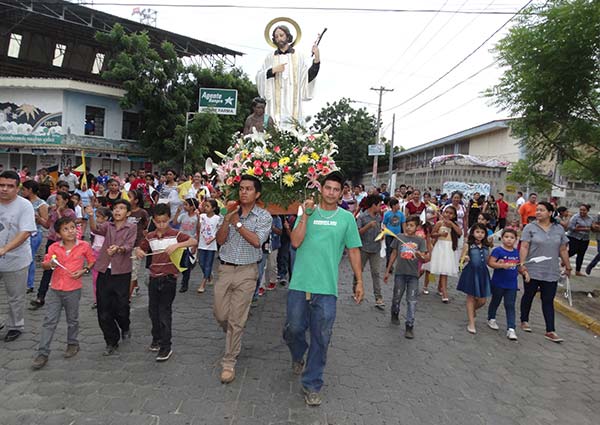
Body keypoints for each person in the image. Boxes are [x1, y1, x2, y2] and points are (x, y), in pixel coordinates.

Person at [283, 171, 364, 406]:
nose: (331, 193)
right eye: (327, 188)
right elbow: (296, 242)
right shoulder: (307, 211)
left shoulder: (346, 219)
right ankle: (298, 354)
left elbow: (354, 250)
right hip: (300, 284)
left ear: (341, 193)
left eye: (336, 189)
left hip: (327, 288)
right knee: (294, 329)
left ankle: (312, 383)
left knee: (322, 336)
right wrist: (306, 216)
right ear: (321, 189)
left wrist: (359, 280)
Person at [213, 175, 272, 384]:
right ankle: (232, 333)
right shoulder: (230, 211)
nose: (243, 192)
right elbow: (220, 241)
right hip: (225, 268)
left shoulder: (264, 217)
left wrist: (237, 224)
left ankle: (229, 361)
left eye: (248, 189)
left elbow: (257, 241)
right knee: (220, 314)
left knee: (237, 319)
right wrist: (227, 220)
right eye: (241, 188)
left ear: (257, 194)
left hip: (248, 272)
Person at [135, 204, 197, 362]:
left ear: (169, 219)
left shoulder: (175, 235)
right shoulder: (150, 236)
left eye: (164, 221)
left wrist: (177, 245)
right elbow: (140, 248)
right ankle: (156, 339)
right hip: (154, 278)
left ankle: (166, 346)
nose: (161, 225)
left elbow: (193, 241)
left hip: (169, 278)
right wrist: (139, 252)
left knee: (164, 312)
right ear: (153, 221)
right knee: (153, 312)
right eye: (158, 222)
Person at [31, 217, 95, 369]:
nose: (70, 231)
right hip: (55, 289)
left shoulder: (84, 246)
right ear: (59, 233)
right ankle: (43, 353)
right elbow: (45, 264)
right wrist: (50, 264)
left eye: (72, 227)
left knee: (72, 319)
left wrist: (84, 270)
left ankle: (73, 343)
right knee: (49, 321)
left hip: (73, 289)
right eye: (66, 229)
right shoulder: (54, 247)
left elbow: (92, 261)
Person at [85, 200, 137, 355]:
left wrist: (119, 249)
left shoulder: (131, 227)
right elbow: (95, 228)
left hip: (121, 271)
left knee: (121, 307)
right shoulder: (108, 226)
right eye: (115, 208)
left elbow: (130, 245)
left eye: (121, 208)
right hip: (104, 270)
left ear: (128, 213)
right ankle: (111, 341)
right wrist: (90, 216)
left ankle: (125, 326)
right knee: (103, 309)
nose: (117, 211)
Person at [519, 201, 570, 343]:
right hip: (532, 268)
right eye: (537, 210)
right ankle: (524, 320)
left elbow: (563, 249)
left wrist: (568, 266)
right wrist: (522, 264)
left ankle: (550, 330)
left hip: (551, 270)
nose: (538, 212)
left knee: (548, 300)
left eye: (541, 210)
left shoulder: (558, 229)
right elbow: (524, 246)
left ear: (549, 212)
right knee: (528, 295)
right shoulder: (530, 227)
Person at [256, 24, 321, 128]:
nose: (279, 39)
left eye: (281, 35)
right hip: (274, 106)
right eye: (276, 37)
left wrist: (316, 58)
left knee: (293, 129)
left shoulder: (299, 56)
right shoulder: (270, 57)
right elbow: (259, 76)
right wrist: (272, 70)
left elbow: (307, 77)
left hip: (293, 106)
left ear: (288, 36)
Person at [0, 171, 37, 342]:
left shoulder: (24, 206)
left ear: (17, 188)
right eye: (1, 185)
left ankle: (15, 326)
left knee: (15, 296)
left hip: (16, 259)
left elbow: (25, 232)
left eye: (10, 186)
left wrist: (4, 249)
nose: (4, 189)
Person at [383, 215, 429, 339]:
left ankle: (409, 325)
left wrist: (420, 255)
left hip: (413, 275)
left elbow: (423, 258)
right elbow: (393, 254)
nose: (409, 228)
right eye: (407, 225)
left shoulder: (420, 241)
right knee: (397, 297)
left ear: (417, 227)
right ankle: (395, 312)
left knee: (412, 301)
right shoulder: (400, 238)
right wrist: (388, 270)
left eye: (412, 225)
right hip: (400, 273)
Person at [30, 192, 77, 310]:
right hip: (52, 242)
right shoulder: (53, 211)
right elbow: (48, 225)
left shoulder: (70, 213)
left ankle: (66, 296)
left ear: (66, 201)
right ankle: (40, 296)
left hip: (65, 243)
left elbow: (64, 226)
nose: (56, 202)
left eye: (58, 199)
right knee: (48, 269)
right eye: (56, 199)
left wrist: (58, 213)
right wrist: (39, 219)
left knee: (65, 269)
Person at [487, 228, 524, 341]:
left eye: (512, 238)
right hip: (498, 282)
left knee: (510, 305)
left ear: (516, 240)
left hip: (512, 284)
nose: (509, 240)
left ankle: (511, 328)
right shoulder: (498, 251)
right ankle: (491, 318)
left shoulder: (517, 253)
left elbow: (519, 266)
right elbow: (491, 263)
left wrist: (524, 273)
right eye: (506, 237)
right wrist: (501, 265)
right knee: (495, 301)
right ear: (502, 238)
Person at [457, 223, 492, 334]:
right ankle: (471, 323)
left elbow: (488, 261)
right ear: (473, 233)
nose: (480, 234)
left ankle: (471, 311)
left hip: (483, 273)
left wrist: (499, 262)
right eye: (477, 232)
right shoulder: (468, 245)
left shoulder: (487, 246)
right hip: (471, 272)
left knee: (482, 300)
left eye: (482, 232)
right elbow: (461, 258)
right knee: (471, 297)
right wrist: (465, 258)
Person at [354, 194, 384, 308]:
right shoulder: (362, 217)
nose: (380, 208)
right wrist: (368, 226)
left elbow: (379, 229)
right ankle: (355, 289)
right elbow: (357, 233)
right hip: (364, 248)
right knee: (359, 270)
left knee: (376, 273)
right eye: (379, 205)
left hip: (376, 248)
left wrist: (382, 235)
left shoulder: (379, 217)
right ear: (373, 205)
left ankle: (378, 297)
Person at [429, 205, 461, 303]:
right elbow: (432, 234)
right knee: (442, 269)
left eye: (451, 213)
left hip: (449, 248)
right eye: (446, 212)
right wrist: (440, 234)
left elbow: (459, 233)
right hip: (440, 247)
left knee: (445, 270)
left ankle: (441, 288)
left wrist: (452, 224)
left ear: (454, 215)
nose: (448, 214)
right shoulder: (439, 223)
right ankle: (444, 292)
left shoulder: (454, 224)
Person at [21, 181, 48, 294]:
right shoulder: (22, 202)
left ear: (30, 190)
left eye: (24, 189)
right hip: (22, 232)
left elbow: (46, 223)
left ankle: (29, 284)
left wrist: (37, 218)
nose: (23, 192)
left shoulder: (41, 204)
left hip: (35, 233)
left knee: (30, 258)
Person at [173, 198, 199, 293]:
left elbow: (198, 231)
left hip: (190, 242)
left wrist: (195, 245)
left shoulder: (196, 218)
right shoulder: (183, 216)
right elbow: (175, 222)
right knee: (179, 263)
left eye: (186, 205)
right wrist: (177, 212)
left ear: (192, 207)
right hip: (180, 242)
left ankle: (185, 284)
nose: (184, 206)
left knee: (186, 264)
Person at [127, 190, 149, 299]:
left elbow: (146, 226)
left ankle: (128, 297)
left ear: (136, 200)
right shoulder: (125, 211)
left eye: (129, 197)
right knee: (128, 269)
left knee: (133, 271)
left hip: (137, 245)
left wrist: (144, 238)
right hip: (126, 245)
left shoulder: (142, 213)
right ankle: (135, 286)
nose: (127, 198)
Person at [197, 199, 222, 293]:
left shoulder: (217, 218)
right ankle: (209, 275)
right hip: (202, 243)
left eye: (208, 206)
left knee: (208, 264)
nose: (205, 208)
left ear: (213, 208)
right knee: (201, 262)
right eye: (205, 206)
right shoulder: (202, 216)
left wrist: (213, 238)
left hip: (211, 245)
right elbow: (199, 227)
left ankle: (203, 283)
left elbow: (218, 231)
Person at [566, 204, 593, 276]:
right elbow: (570, 227)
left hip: (585, 239)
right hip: (574, 237)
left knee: (581, 254)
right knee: (573, 251)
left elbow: (592, 227)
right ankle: (564, 259)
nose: (582, 211)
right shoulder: (575, 217)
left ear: (587, 211)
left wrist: (579, 228)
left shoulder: (590, 218)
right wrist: (584, 228)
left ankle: (578, 271)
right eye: (581, 210)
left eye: (584, 210)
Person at [382, 198, 405, 269]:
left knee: (397, 250)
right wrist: (384, 231)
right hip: (389, 235)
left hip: (398, 235)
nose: (399, 205)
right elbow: (384, 223)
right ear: (394, 205)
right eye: (398, 204)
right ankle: (389, 265)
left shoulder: (401, 214)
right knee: (389, 250)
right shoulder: (387, 214)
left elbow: (403, 223)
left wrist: (404, 233)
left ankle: (396, 264)